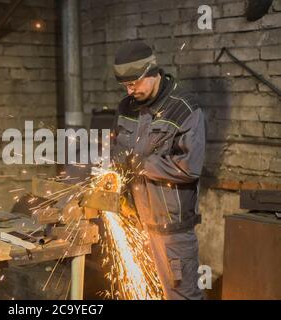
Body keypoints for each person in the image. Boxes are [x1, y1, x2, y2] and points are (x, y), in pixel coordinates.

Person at [111, 41, 206, 300]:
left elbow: (189, 167)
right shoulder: (126, 107)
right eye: (126, 86)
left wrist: (139, 165)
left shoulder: (184, 108)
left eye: (135, 83)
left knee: (181, 295)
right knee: (143, 290)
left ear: (153, 72)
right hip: (136, 220)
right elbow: (118, 152)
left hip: (171, 228)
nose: (130, 91)